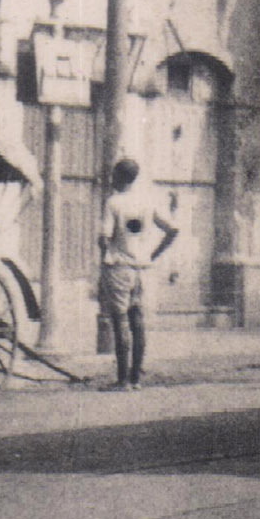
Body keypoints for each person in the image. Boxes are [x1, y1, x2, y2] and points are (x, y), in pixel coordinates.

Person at [98, 155, 178, 389]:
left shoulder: (113, 203)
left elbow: (104, 238)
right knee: (138, 321)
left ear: (118, 177)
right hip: (142, 269)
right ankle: (135, 379)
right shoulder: (147, 201)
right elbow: (173, 229)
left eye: (113, 175)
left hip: (120, 268)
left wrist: (105, 256)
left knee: (120, 320)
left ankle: (122, 380)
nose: (111, 179)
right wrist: (153, 255)